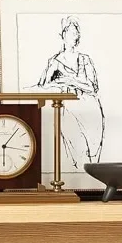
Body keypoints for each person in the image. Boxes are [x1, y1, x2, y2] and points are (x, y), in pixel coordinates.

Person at [37, 16, 104, 168]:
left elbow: (93, 87)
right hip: (69, 109)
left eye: (76, 33)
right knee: (76, 152)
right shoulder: (55, 61)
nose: (74, 36)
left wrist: (69, 80)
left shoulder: (85, 59)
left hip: (91, 107)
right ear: (63, 35)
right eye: (71, 32)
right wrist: (61, 81)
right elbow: (43, 85)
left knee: (94, 150)